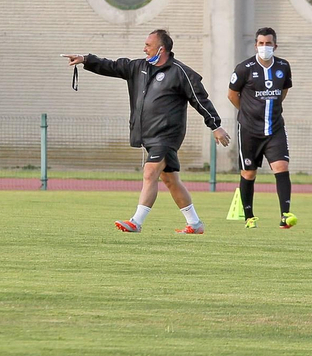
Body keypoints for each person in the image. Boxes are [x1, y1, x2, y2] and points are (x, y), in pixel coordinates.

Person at [64, 29, 229, 234]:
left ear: (161, 49)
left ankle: (136, 222)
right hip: (148, 135)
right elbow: (112, 66)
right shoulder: (138, 67)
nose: (144, 48)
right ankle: (195, 224)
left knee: (150, 172)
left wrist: (215, 125)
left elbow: (200, 100)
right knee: (170, 180)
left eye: (148, 45)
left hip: (167, 135)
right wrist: (86, 60)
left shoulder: (180, 72)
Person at [228, 27, 297, 229]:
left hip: (275, 128)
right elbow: (232, 95)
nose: (265, 47)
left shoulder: (283, 66)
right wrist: (248, 111)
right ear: (256, 45)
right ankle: (249, 217)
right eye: (261, 43)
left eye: (268, 43)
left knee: (281, 167)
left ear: (275, 45)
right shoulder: (244, 68)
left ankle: (285, 215)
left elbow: (283, 91)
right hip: (249, 130)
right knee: (249, 173)